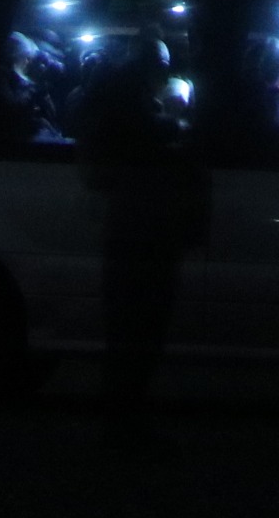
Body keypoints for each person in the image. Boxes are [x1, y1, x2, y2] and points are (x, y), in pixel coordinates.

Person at [72, 35, 209, 456]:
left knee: (127, 329)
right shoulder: (133, 104)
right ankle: (124, 426)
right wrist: (179, 121)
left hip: (128, 227)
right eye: (162, 63)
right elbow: (155, 141)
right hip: (144, 229)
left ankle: (120, 420)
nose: (165, 72)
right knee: (141, 326)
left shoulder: (110, 95)